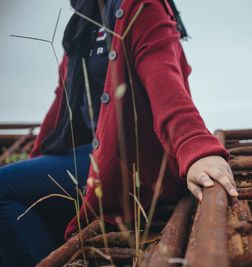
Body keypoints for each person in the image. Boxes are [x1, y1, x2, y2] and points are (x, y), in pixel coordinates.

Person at [0, 0, 237, 266]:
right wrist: (35, 160)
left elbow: (164, 81)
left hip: (128, 162)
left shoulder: (141, 6)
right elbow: (62, 103)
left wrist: (195, 148)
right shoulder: (80, 24)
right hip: (87, 158)